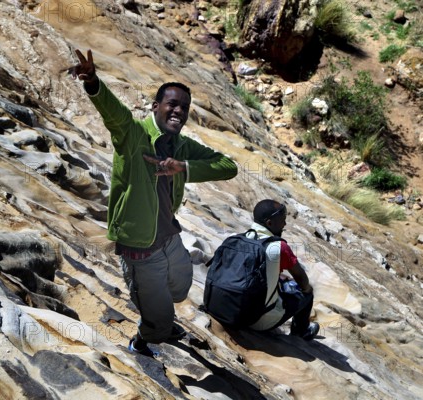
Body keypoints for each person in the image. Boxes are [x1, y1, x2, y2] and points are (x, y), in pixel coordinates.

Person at [69, 49, 238, 356]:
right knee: (160, 323)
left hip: (169, 236)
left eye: (184, 108)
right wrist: (93, 82)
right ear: (156, 106)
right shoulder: (134, 135)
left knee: (181, 287)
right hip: (140, 246)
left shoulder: (181, 146)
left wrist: (182, 167)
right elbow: (114, 114)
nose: (179, 112)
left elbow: (229, 166)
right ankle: (143, 340)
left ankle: (155, 308)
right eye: (172, 104)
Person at [247, 199, 319, 340]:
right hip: (255, 322)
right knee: (307, 293)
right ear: (269, 223)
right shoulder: (279, 247)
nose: (285, 224)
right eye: (282, 220)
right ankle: (301, 332)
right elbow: (303, 282)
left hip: (227, 308)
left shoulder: (241, 238)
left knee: (283, 281)